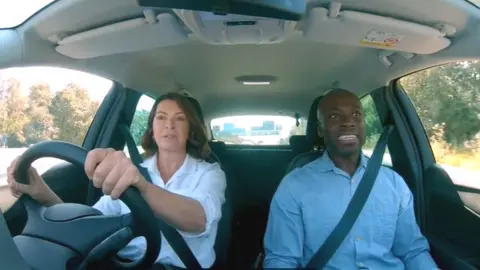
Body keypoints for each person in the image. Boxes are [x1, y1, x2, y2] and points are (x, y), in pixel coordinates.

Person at [7, 92, 227, 269]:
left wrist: (143, 186)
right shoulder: (130, 170)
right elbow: (88, 224)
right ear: (152, 127)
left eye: (180, 119)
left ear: (190, 130)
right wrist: (41, 192)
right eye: (161, 117)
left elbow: (200, 219)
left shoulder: (209, 173)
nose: (169, 125)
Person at [263, 89, 438, 269]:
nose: (348, 122)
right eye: (334, 116)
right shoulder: (294, 186)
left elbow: (413, 252)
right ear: (320, 130)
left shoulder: (394, 184)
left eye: (356, 114)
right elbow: (282, 260)